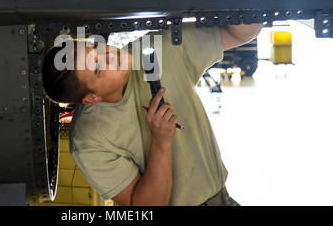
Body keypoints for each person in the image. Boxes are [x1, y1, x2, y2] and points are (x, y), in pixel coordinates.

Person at [43, 22, 263, 206]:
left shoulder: (156, 49)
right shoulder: (88, 140)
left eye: (95, 48)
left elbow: (241, 32)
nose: (109, 53)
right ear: (91, 99)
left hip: (222, 199)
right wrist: (161, 141)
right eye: (99, 68)